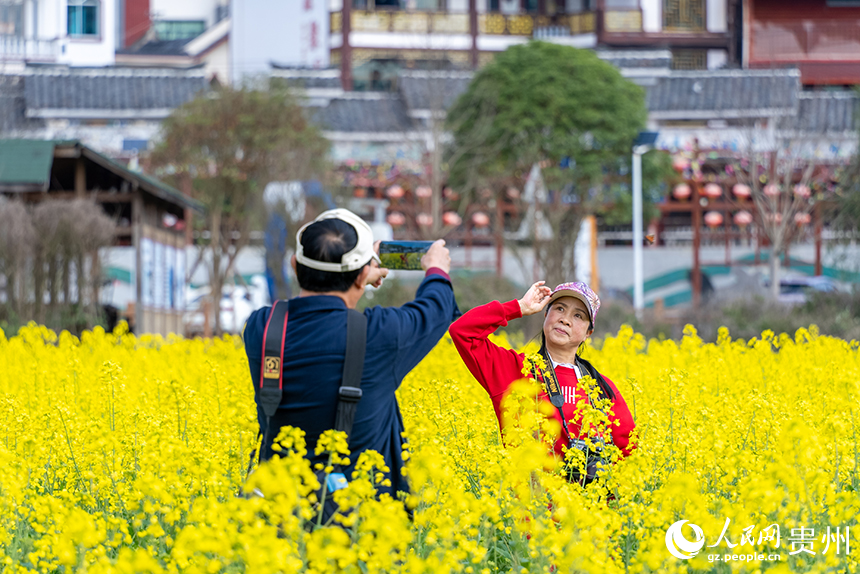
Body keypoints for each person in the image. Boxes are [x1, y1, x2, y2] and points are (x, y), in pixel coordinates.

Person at [243, 208, 458, 499]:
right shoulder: (379, 335)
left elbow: (324, 325)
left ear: (295, 265)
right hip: (357, 524)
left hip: (276, 522)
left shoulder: (261, 328)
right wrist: (436, 269)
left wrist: (358, 276)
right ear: (361, 275)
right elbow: (436, 308)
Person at [449, 280, 635, 483]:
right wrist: (518, 307)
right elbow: (462, 332)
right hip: (532, 509)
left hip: (589, 510)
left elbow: (631, 456)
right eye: (559, 308)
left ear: (588, 333)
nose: (565, 319)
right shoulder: (515, 370)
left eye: (578, 315)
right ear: (545, 315)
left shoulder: (599, 387)